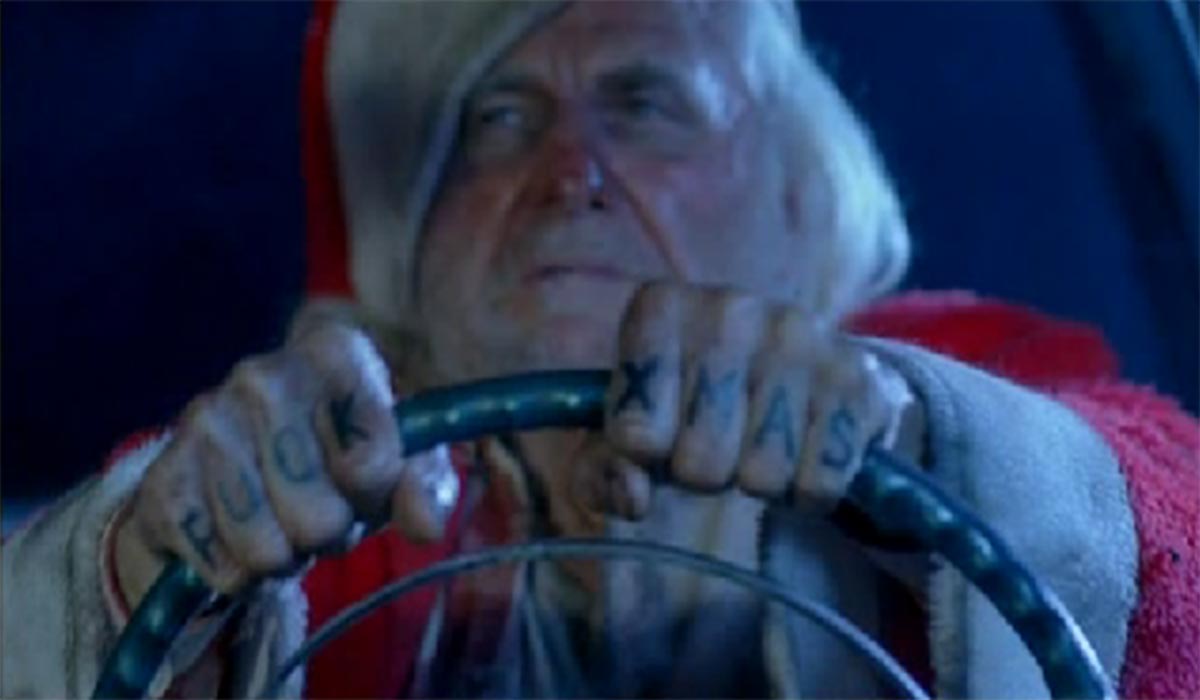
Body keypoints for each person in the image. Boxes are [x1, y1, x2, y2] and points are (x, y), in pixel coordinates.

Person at [3, 1, 1196, 698]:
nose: (568, 169)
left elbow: (1165, 534)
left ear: (801, 197)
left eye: (644, 101)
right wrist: (140, 561)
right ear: (410, 252)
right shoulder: (307, 487)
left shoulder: (975, 381)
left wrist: (915, 448)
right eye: (497, 120)